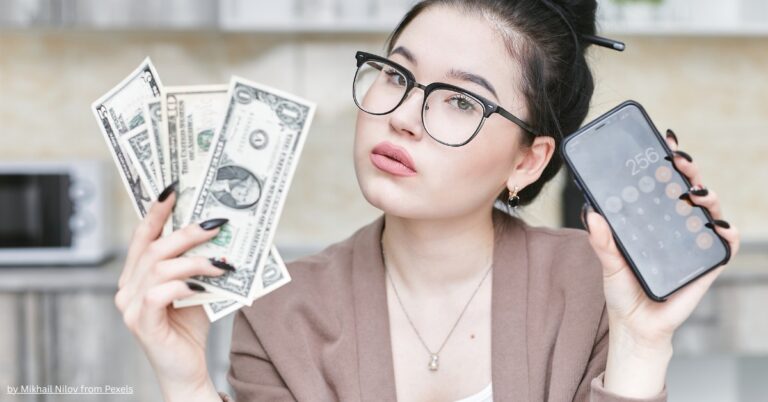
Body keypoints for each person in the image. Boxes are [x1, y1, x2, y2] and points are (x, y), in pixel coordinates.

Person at [114, 1, 740, 401]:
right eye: (397, 73)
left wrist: (640, 341)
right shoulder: (280, 310)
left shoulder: (599, 288)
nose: (405, 116)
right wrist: (187, 381)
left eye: (461, 100)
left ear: (528, 160)